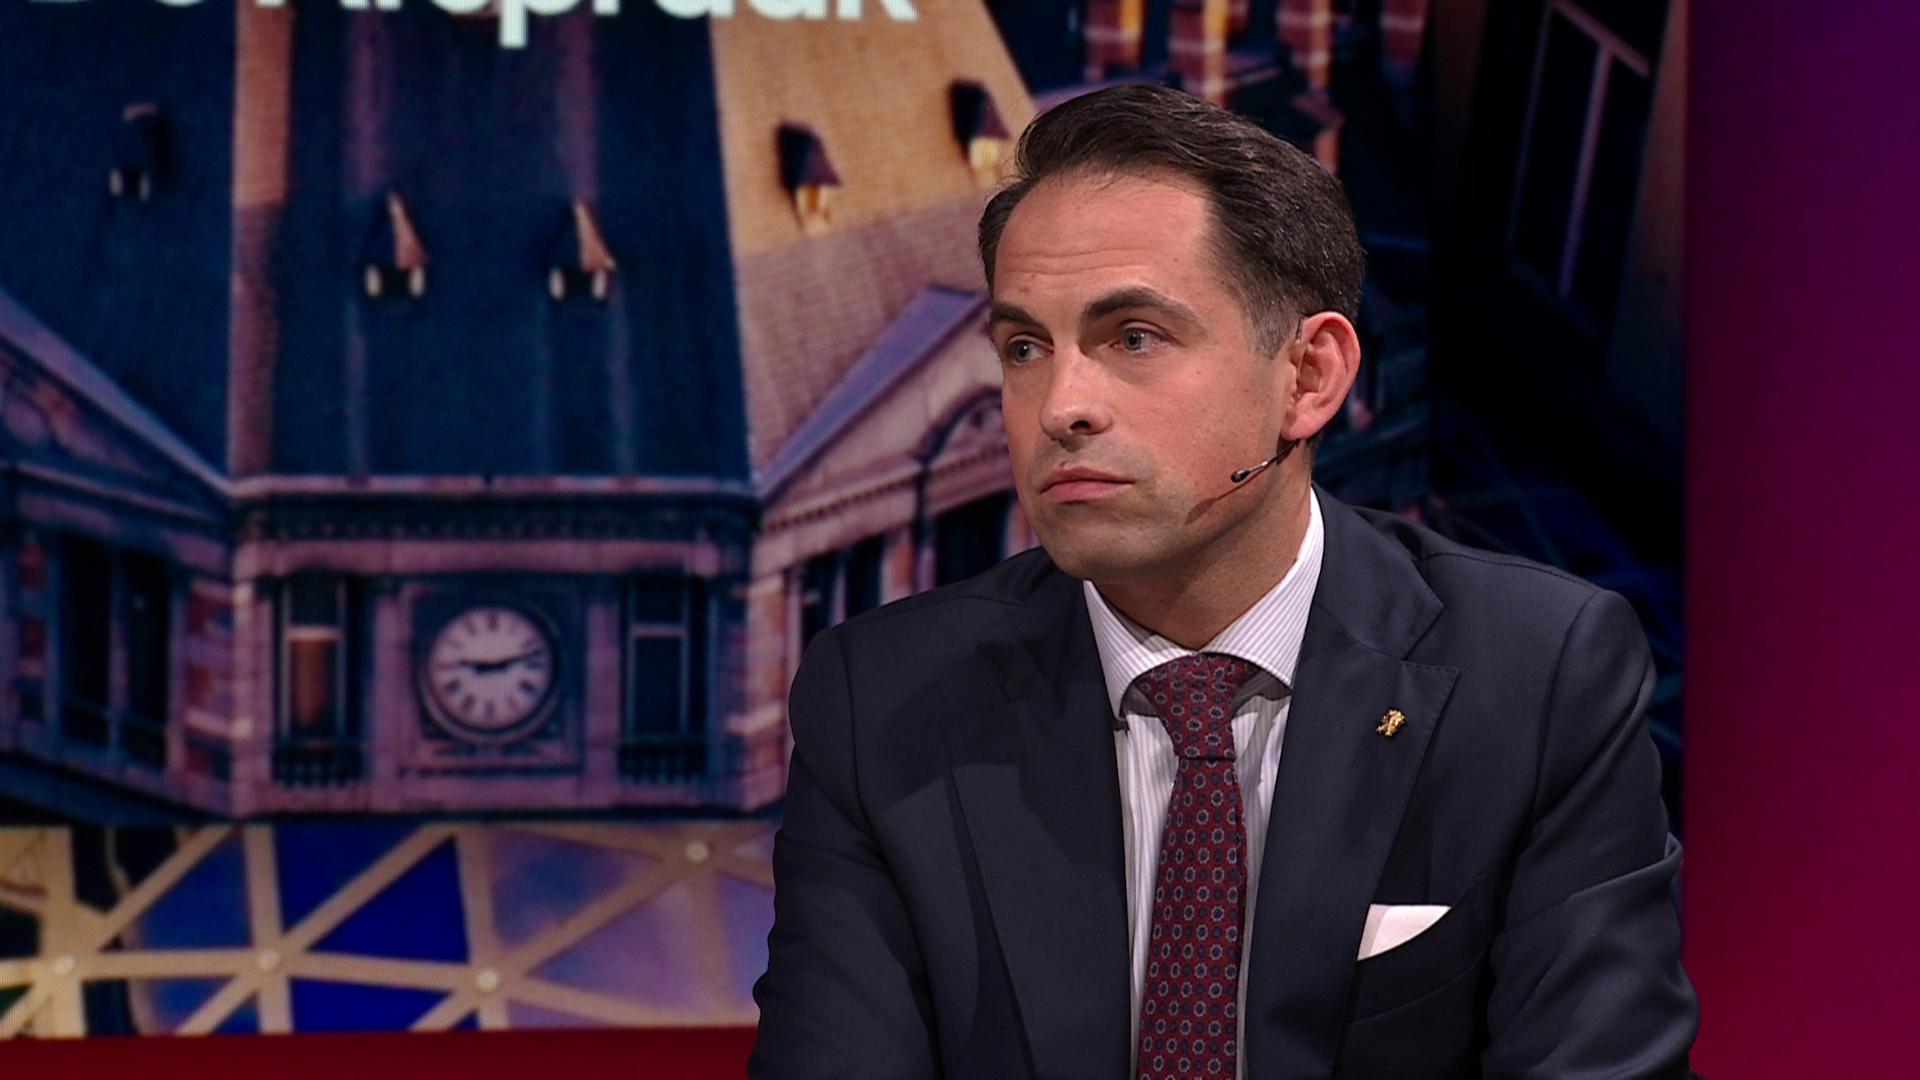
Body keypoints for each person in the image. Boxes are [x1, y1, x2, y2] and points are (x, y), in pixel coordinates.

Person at [750, 83, 1697, 1079]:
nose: (1059, 405)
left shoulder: (1536, 674)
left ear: (1309, 377)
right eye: (1025, 347)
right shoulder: (883, 698)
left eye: (1133, 337)